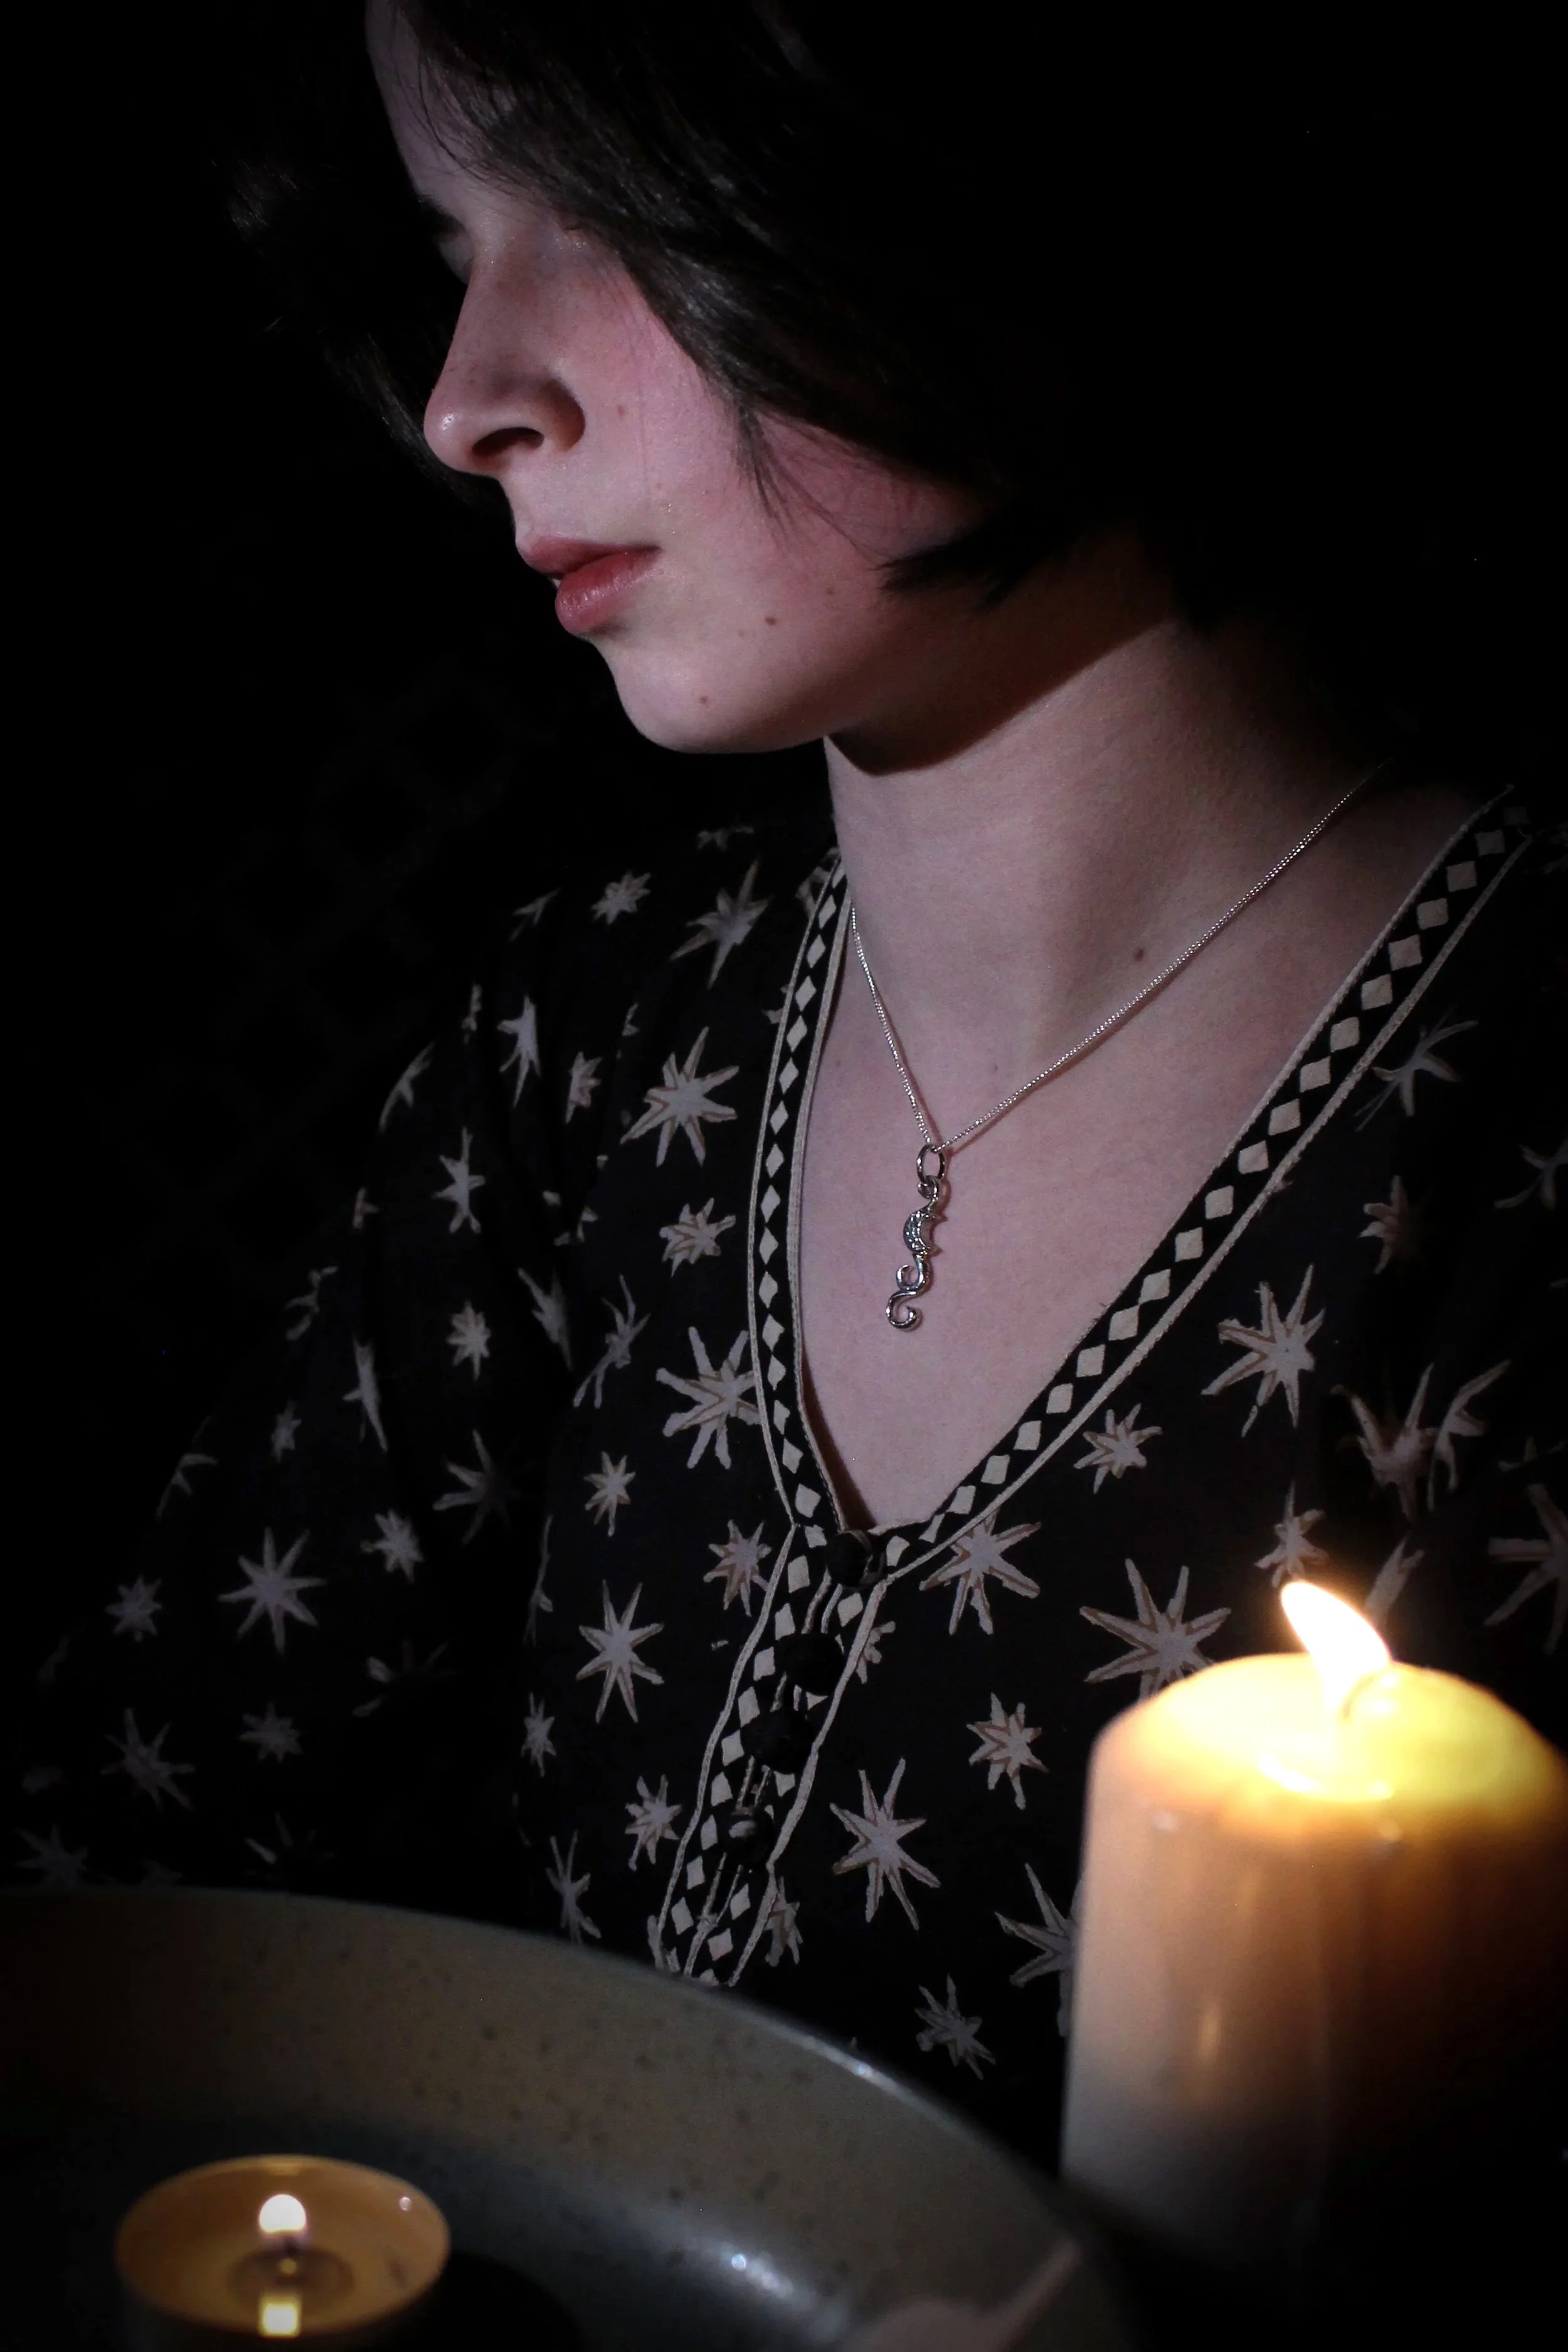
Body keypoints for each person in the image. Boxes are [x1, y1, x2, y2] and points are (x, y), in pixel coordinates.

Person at [11, 1, 1562, 2164]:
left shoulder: (1513, 1132)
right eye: (454, 250)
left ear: (989, 156)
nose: (468, 398)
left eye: (602, 213)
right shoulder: (606, 1026)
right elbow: (139, 1848)